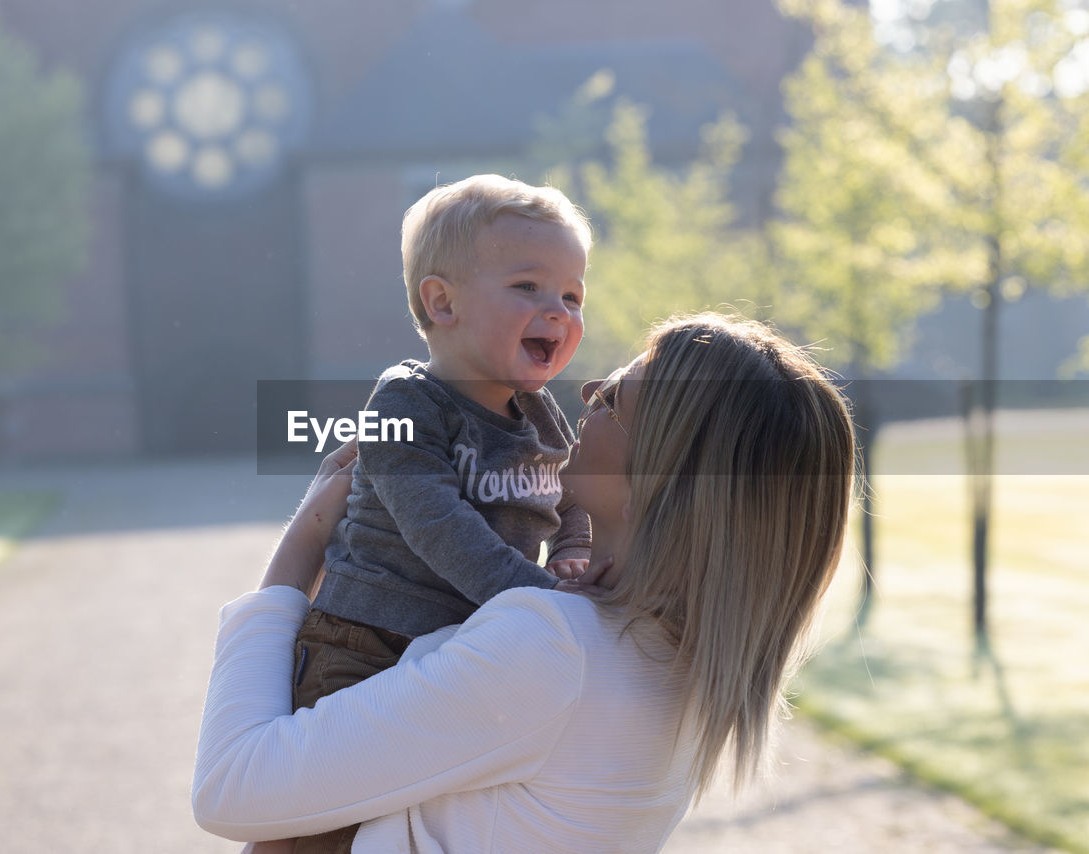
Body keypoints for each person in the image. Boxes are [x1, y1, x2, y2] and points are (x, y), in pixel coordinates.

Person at [194, 312, 857, 853]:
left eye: (613, 400)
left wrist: (306, 538)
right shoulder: (691, 671)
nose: (586, 397)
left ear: (661, 482)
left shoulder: (555, 650)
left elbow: (233, 786)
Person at [281, 174, 594, 853]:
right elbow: (438, 527)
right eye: (529, 288)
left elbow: (572, 498)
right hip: (367, 645)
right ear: (442, 302)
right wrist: (542, 603)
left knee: (433, 821)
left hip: (468, 648)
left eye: (572, 295)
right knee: (314, 817)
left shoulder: (541, 414)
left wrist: (574, 549)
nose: (559, 310)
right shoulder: (406, 404)